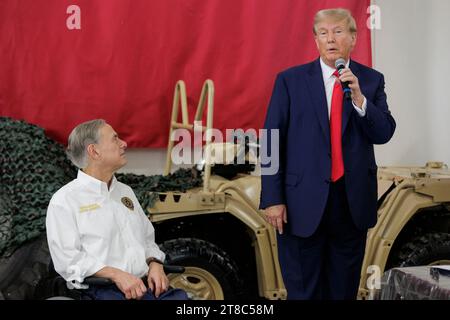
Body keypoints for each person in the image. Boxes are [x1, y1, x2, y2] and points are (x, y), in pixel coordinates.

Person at [260, 8, 396, 299]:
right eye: (323, 33)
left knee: (342, 292)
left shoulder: (370, 81)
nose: (330, 39)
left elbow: (384, 132)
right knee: (303, 292)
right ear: (316, 40)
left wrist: (360, 100)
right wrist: (272, 198)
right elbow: (271, 140)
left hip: (351, 204)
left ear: (353, 38)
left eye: (337, 32)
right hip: (300, 204)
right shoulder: (290, 81)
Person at [46, 119, 188, 300]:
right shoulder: (65, 200)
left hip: (147, 288)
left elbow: (146, 240)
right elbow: (68, 261)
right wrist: (116, 274)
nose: (124, 143)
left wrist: (155, 263)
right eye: (115, 139)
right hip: (103, 291)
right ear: (94, 151)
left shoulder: (125, 192)